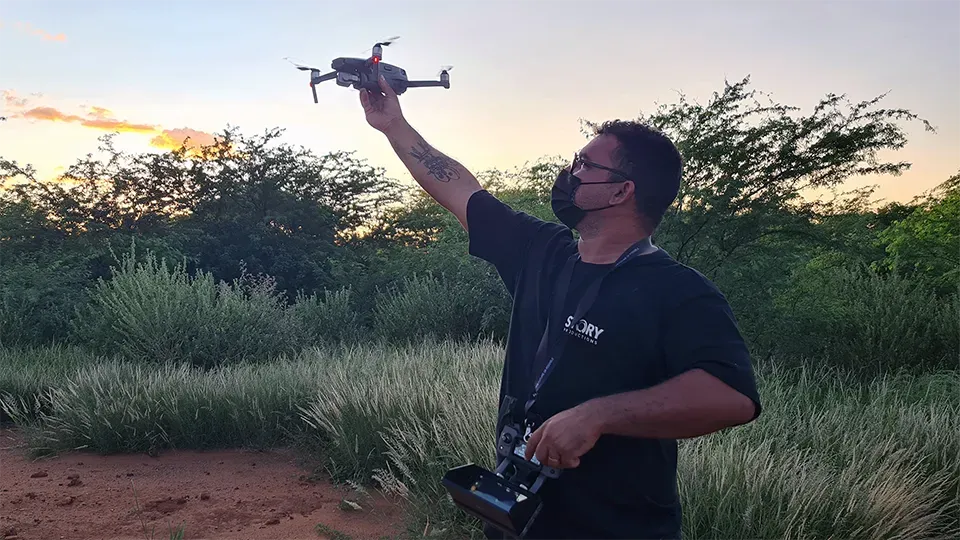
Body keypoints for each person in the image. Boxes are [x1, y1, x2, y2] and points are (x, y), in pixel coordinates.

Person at [359, 75, 762, 540]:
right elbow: (458, 188)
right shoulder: (542, 251)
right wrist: (393, 125)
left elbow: (731, 398)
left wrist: (597, 416)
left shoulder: (679, 291)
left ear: (620, 191)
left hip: (616, 529)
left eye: (584, 165)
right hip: (518, 517)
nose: (569, 173)